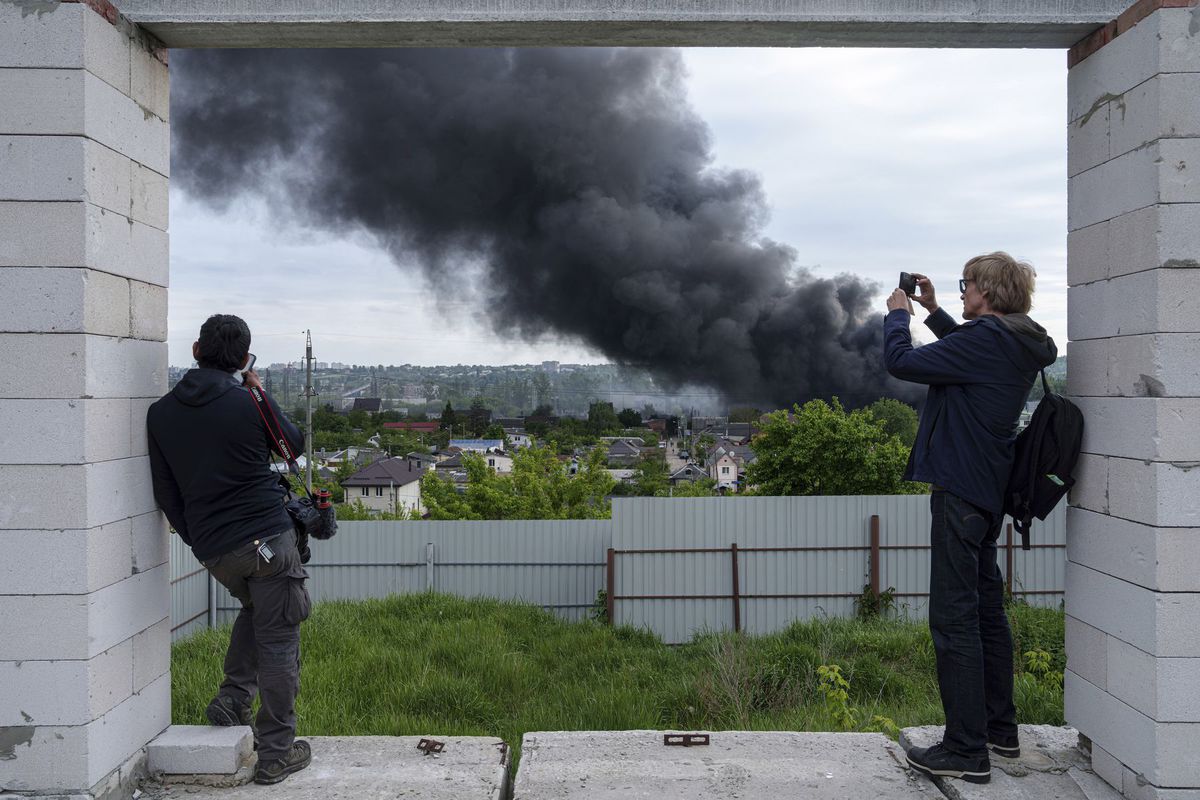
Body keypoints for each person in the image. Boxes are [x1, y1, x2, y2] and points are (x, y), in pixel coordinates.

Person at [883, 253, 1057, 785]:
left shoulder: (987, 341)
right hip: (986, 491)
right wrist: (934, 311)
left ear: (989, 292)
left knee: (954, 619)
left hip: (959, 492)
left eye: (967, 286)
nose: (961, 292)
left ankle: (964, 751)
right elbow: (966, 351)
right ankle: (999, 732)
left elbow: (903, 364)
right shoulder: (1016, 339)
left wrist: (898, 316)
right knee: (985, 612)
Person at [147, 314, 312, 785]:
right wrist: (259, 390)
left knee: (258, 610)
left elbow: (167, 494)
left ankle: (233, 698)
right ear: (243, 360)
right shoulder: (247, 402)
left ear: (196, 350)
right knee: (280, 636)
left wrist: (199, 540)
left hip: (215, 551)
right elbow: (291, 447)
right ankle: (277, 752)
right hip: (268, 539)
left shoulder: (160, 413)